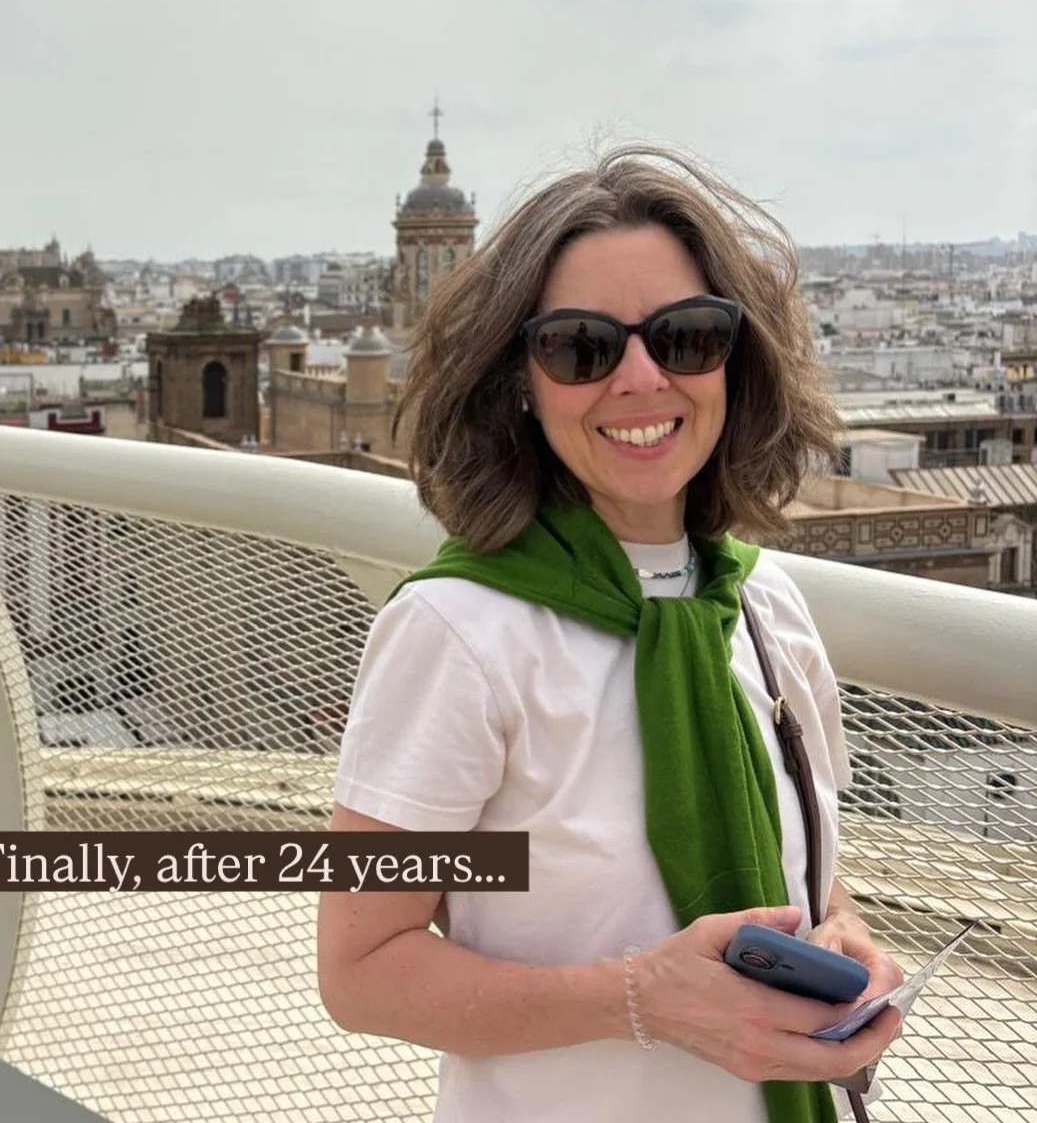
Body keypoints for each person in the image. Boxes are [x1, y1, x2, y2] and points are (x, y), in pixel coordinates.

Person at [317, 145, 904, 1123]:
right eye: (582, 347)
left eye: (686, 337)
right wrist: (641, 1000)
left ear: (735, 361)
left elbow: (814, 883)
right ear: (519, 378)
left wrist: (846, 942)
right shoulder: (457, 634)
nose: (641, 379)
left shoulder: (765, 609)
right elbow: (361, 969)